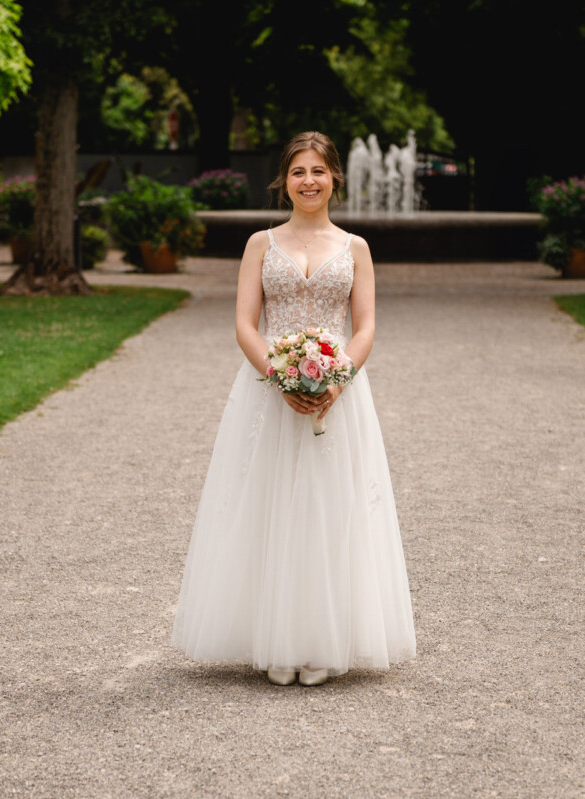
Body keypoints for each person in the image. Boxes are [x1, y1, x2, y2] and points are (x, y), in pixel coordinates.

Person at [170, 131, 416, 686]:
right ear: (284, 180)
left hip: (339, 393)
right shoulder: (261, 243)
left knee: (329, 509)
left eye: (319, 171)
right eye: (299, 171)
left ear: (336, 179)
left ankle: (321, 642)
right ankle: (274, 639)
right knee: (269, 505)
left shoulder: (356, 248)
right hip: (268, 392)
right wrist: (279, 377)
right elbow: (243, 323)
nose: (310, 181)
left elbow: (367, 325)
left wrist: (338, 380)